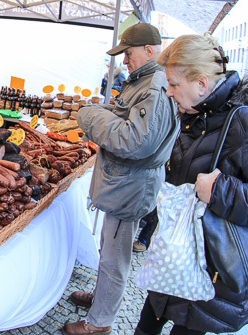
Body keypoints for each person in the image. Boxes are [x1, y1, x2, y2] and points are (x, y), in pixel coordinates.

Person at [62, 23, 179, 335]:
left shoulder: (153, 88)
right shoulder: (143, 81)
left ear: (149, 50)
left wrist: (89, 115)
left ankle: (99, 323)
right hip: (125, 183)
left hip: (131, 186)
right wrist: (103, 113)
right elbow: (121, 119)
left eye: (128, 53)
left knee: (115, 258)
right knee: (108, 249)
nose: (124, 60)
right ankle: (101, 300)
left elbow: (135, 142)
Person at [134, 34, 248, 334]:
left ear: (201, 83)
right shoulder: (194, 114)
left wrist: (220, 190)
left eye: (173, 84)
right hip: (174, 259)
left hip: (210, 272)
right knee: (146, 326)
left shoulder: (243, 124)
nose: (169, 93)